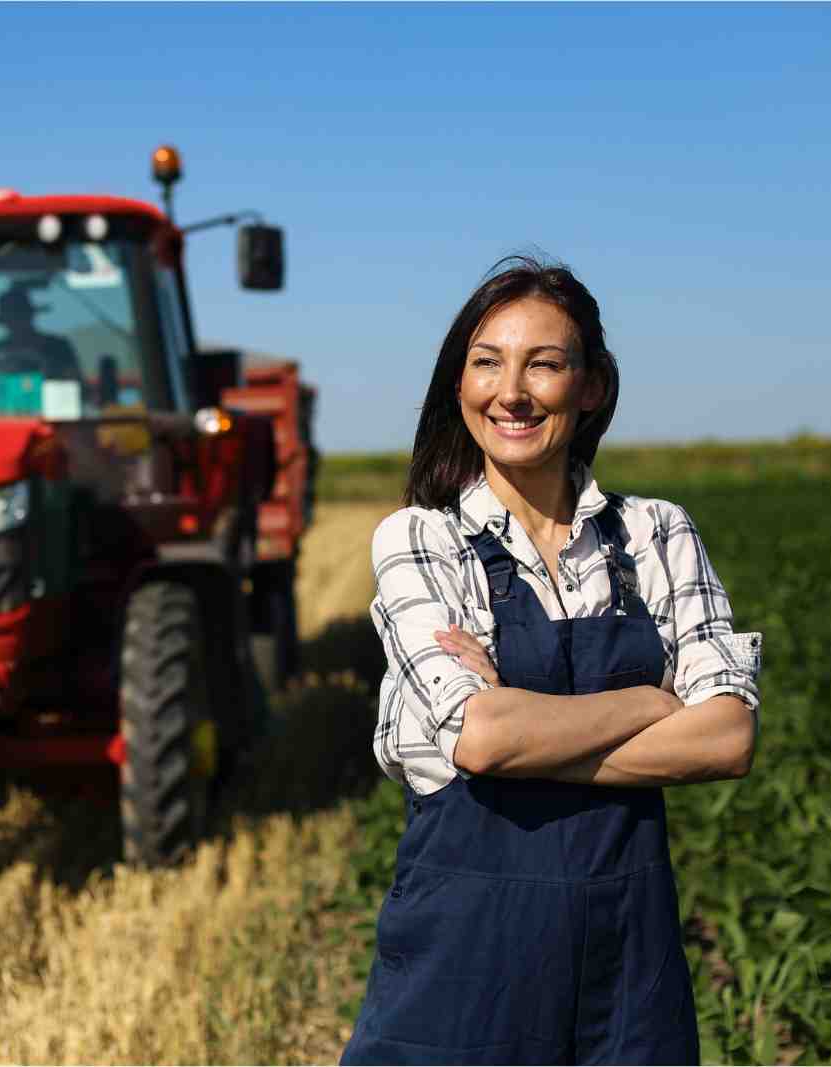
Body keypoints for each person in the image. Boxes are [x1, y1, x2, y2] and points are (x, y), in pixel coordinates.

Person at [342, 256, 763, 1066]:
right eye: (488, 361)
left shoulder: (657, 534)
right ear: (458, 383)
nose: (514, 391)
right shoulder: (422, 538)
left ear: (593, 385)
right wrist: (650, 700)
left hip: (626, 976)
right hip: (461, 971)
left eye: (545, 362)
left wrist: (522, 735)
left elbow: (725, 739)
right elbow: (484, 739)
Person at [0, 283, 83, 383]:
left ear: (30, 316)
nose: (15, 322)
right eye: (9, 318)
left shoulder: (58, 347)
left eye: (19, 316)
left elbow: (75, 385)